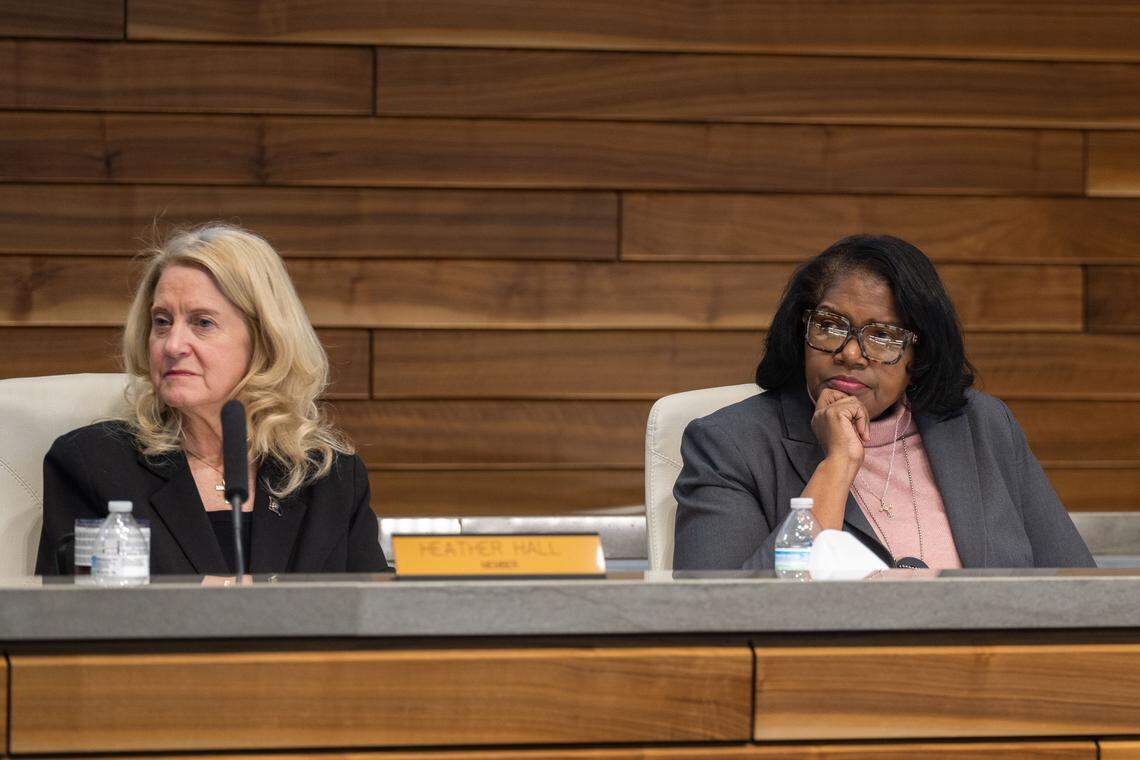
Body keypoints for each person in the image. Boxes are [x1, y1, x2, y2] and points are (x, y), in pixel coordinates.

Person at [673, 234, 1094, 570]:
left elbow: (1079, 589)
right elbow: (720, 613)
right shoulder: (730, 444)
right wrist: (836, 466)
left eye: (882, 336)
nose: (850, 353)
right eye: (830, 325)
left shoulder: (981, 426)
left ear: (918, 353)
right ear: (802, 327)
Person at [35, 224, 388, 575]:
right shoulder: (95, 466)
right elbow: (65, 618)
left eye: (202, 323)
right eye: (161, 322)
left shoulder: (329, 479)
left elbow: (375, 617)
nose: (172, 345)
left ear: (264, 339)